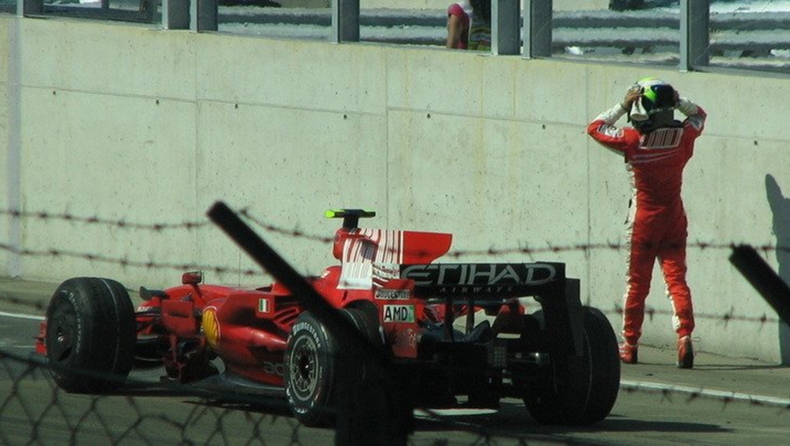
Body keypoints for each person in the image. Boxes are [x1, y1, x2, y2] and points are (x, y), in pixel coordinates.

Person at [586, 77, 707, 369]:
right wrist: (679, 100)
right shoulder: (684, 138)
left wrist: (622, 104)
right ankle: (684, 338)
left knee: (637, 285)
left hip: (643, 222)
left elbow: (594, 128)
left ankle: (629, 346)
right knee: (676, 280)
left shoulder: (631, 140)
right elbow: (699, 115)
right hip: (674, 218)